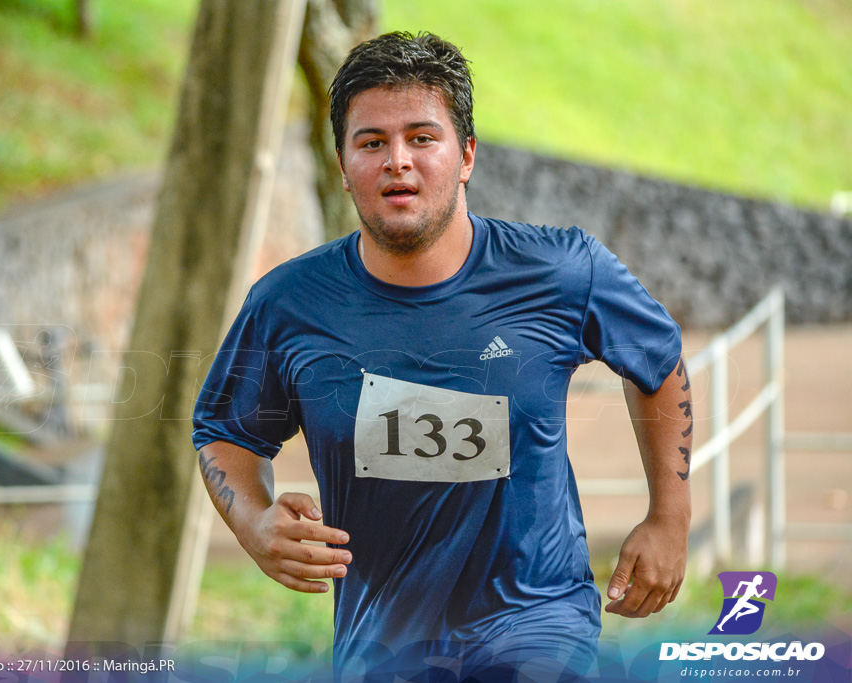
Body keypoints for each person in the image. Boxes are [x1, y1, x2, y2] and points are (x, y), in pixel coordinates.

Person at [192, 31, 692, 681]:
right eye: (372, 142)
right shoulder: (289, 302)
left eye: (422, 138)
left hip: (537, 624)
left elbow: (658, 359)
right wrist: (256, 523)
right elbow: (222, 430)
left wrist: (669, 516)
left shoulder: (563, 269)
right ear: (342, 167)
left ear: (466, 157)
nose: (398, 160)